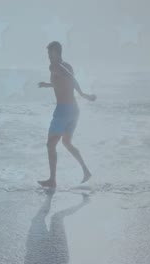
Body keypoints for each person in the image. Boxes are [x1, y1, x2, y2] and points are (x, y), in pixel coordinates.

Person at [37, 41, 96, 188]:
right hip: (74, 110)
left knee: (50, 144)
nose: (48, 56)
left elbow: (70, 78)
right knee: (67, 142)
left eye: (50, 52)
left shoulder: (55, 66)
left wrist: (83, 94)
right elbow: (66, 81)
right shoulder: (66, 65)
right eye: (48, 53)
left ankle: (52, 180)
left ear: (57, 52)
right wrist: (47, 85)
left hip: (63, 111)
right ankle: (86, 171)